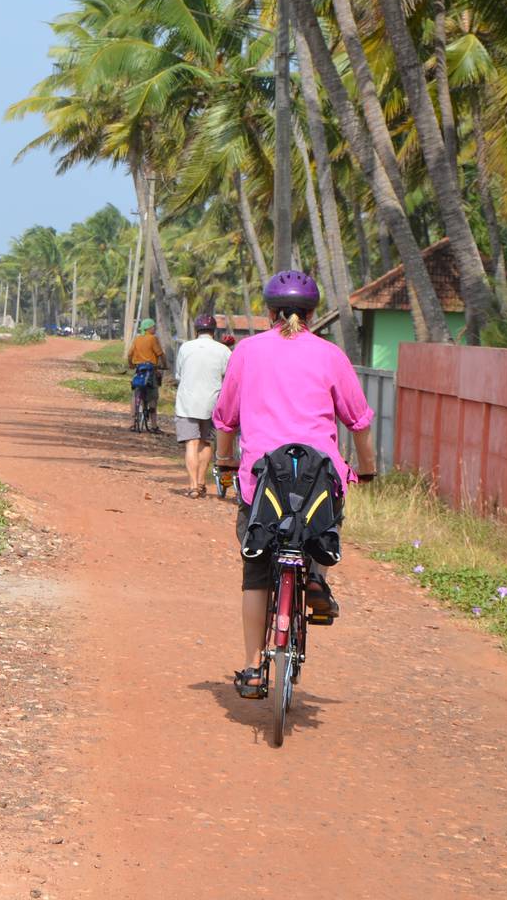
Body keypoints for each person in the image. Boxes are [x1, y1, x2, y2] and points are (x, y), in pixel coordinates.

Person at [212, 271, 377, 700]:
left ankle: (252, 667)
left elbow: (226, 419)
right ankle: (318, 575)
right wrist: (368, 467)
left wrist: (226, 461)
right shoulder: (329, 355)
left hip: (262, 479)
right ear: (312, 315)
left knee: (256, 571)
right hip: (318, 476)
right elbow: (358, 420)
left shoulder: (246, 351)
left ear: (269, 313)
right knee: (323, 521)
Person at [172, 314, 232, 498]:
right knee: (206, 442)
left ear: (196, 330)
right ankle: (201, 482)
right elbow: (228, 377)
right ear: (214, 331)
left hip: (187, 403)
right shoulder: (223, 351)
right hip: (212, 403)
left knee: (192, 443)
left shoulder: (185, 348)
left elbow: (179, 375)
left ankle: (192, 487)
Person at [125, 317, 166, 432]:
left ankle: (133, 423)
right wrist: (165, 365)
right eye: (154, 327)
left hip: (138, 370)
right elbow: (161, 354)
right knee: (153, 396)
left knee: (135, 394)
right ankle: (154, 426)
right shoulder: (153, 339)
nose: (155, 329)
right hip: (151, 370)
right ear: (149, 328)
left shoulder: (137, 339)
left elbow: (129, 354)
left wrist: (131, 365)